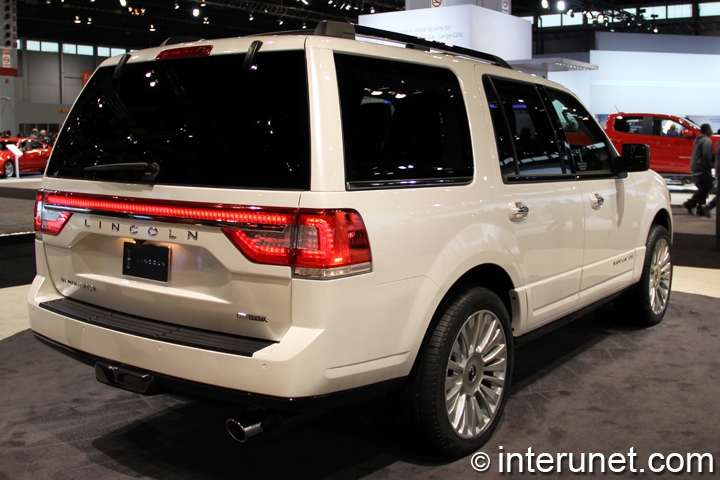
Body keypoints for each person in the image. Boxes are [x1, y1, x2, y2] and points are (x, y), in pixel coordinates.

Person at [683, 123, 714, 217]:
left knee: (703, 187)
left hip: (694, 166)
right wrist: (709, 168)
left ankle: (700, 209)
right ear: (708, 130)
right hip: (701, 167)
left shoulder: (697, 140)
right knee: (707, 186)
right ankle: (690, 203)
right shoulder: (706, 141)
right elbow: (706, 155)